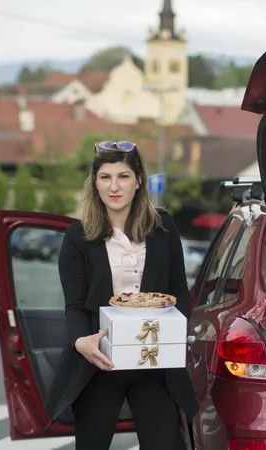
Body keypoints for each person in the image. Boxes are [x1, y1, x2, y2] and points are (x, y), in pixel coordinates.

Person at [44, 141, 198, 450]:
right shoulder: (78, 238)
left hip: (152, 359)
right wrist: (80, 342)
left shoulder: (163, 226)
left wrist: (179, 333)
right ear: (95, 182)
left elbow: (179, 290)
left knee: (166, 444)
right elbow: (74, 305)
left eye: (124, 176)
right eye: (105, 177)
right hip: (100, 361)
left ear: (139, 180)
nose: (114, 186)